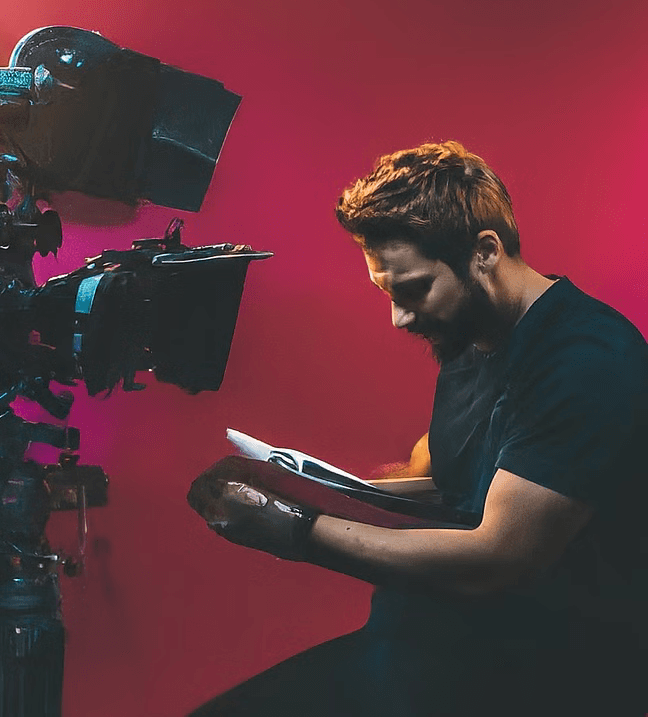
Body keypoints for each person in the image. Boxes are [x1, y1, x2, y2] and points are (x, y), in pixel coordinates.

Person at [187, 141, 648, 717]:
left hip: (535, 674)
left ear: (484, 251)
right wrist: (288, 484)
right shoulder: (470, 336)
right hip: (426, 647)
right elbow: (443, 483)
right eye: (387, 292)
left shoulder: (585, 359)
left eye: (413, 290)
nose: (400, 317)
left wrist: (296, 528)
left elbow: (499, 557)